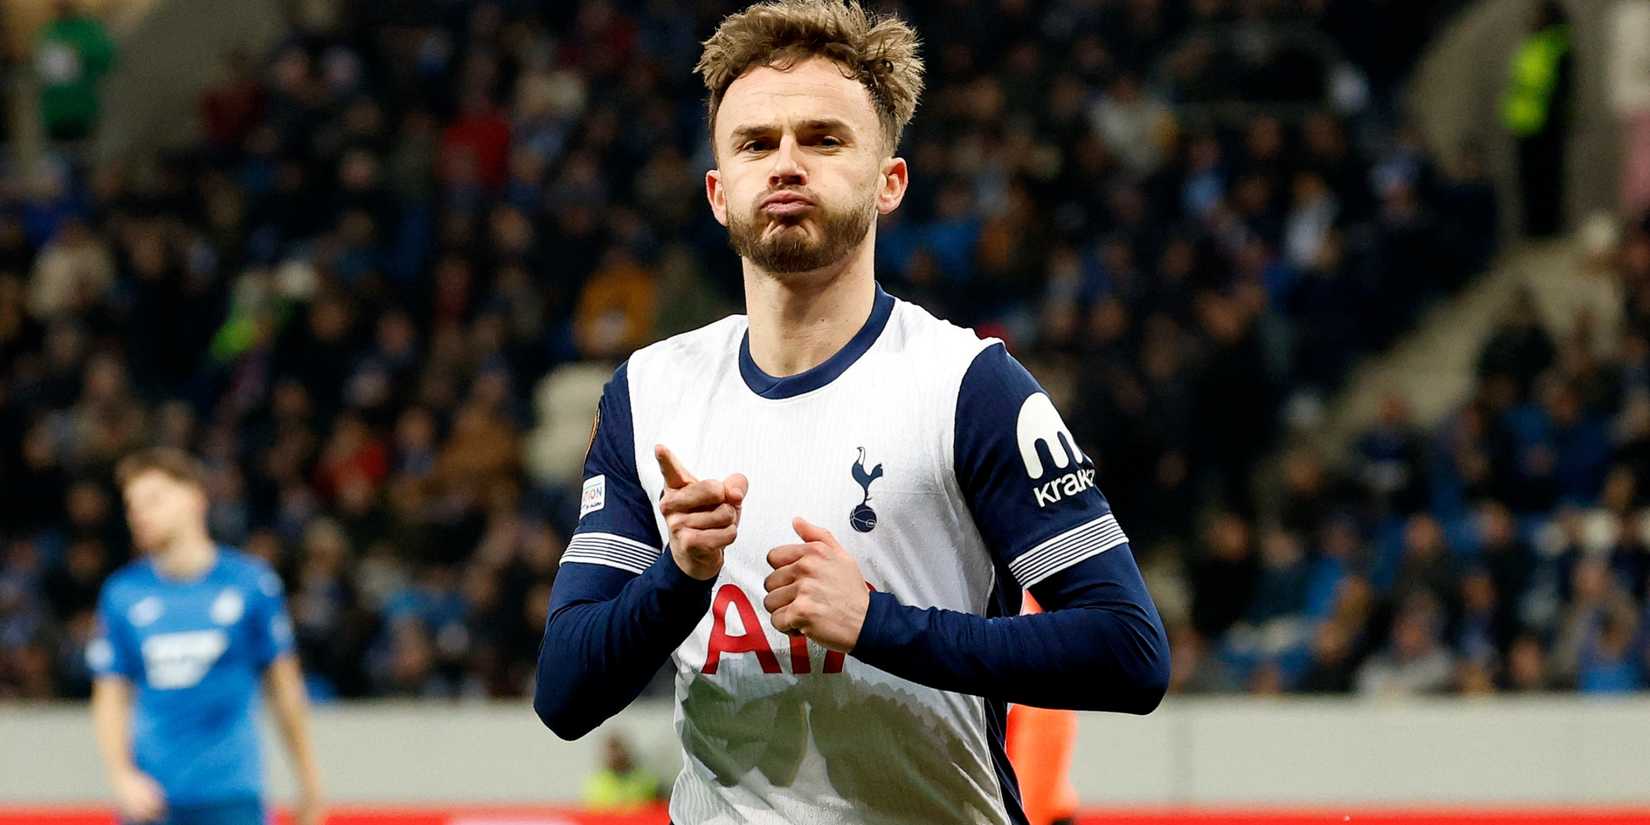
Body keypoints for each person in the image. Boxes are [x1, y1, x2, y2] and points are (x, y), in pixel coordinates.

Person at [532, 2, 1170, 823]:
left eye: (824, 139)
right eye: (757, 143)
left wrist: (877, 622)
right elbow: (563, 692)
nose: (787, 164)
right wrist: (676, 579)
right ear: (719, 193)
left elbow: (1130, 650)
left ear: (888, 182)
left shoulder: (970, 388)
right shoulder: (648, 392)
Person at [88, 448, 323, 825]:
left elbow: (285, 687)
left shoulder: (250, 583)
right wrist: (120, 775)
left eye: (154, 499)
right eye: (132, 506)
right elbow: (110, 695)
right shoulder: (123, 593)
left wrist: (308, 782)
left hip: (231, 796)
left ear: (195, 498)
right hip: (152, 802)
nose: (140, 514)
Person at [1501, 0, 1573, 238]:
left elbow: (1561, 87)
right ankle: (1534, 228)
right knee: (1528, 180)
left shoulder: (1558, 44)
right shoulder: (1531, 43)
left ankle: (1548, 229)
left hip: (1545, 122)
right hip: (1523, 121)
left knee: (1547, 179)